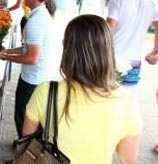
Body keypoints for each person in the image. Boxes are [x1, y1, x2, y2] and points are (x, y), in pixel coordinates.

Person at [23, 14, 142, 164]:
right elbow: (128, 157)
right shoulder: (127, 101)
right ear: (108, 51)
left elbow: (27, 139)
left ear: (66, 48)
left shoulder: (46, 91)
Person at [0, 0, 60, 138]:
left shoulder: (36, 21)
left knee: (24, 122)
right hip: (40, 77)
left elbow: (31, 57)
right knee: (32, 121)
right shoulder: (42, 15)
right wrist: (7, 52)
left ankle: (26, 155)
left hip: (32, 81)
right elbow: (27, 48)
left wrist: (5, 57)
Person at [107, 0, 158, 83]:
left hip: (114, 59)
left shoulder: (117, 2)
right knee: (129, 97)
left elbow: (107, 31)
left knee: (109, 97)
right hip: (135, 61)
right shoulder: (151, 4)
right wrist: (154, 52)